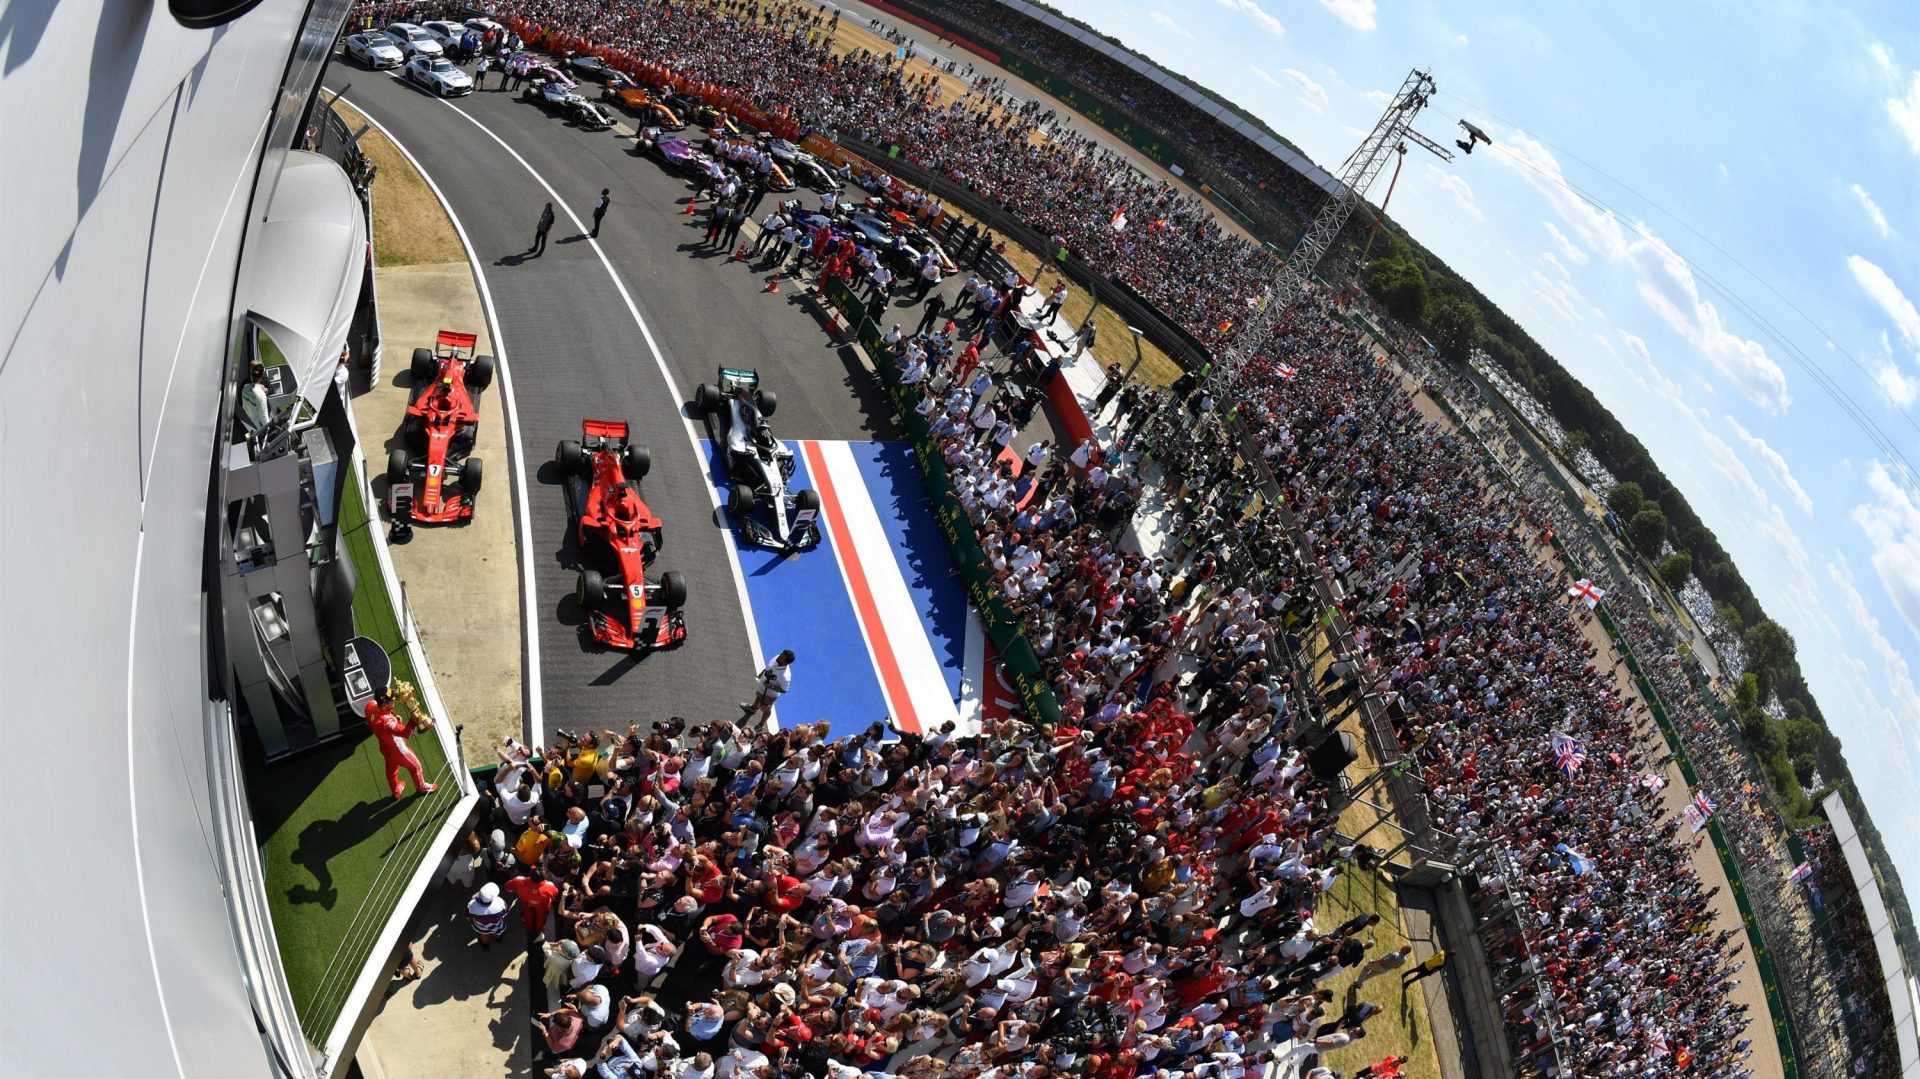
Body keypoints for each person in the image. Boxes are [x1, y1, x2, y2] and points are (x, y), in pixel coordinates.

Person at [364, 690, 436, 799]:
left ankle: (396, 790)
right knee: (416, 767)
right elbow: (406, 733)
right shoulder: (387, 722)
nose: (395, 701)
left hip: (386, 750)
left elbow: (371, 715)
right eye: (392, 700)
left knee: (391, 772)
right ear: (384, 704)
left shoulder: (370, 706)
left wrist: (395, 718)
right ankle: (421, 787)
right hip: (399, 751)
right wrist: (412, 720)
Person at [741, 649, 794, 722]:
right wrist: (761, 674)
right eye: (781, 655)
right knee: (758, 697)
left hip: (770, 695)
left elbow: (784, 690)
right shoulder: (777, 658)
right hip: (762, 686)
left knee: (766, 709)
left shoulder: (786, 676)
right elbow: (768, 667)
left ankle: (761, 724)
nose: (779, 657)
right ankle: (753, 709)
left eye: (782, 658)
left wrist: (770, 687)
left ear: (786, 663)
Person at [469, 881, 509, 947]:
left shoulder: (471, 904)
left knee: (484, 934)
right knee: (498, 931)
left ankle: (485, 945)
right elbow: (506, 910)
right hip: (497, 924)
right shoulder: (500, 902)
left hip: (481, 926)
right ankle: (498, 940)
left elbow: (468, 916)